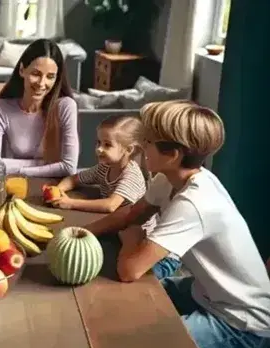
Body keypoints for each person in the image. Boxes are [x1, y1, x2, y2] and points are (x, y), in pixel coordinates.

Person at [83, 100, 270, 348]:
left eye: (148, 142)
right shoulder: (169, 178)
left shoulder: (193, 203)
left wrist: (134, 234)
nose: (142, 148)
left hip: (242, 324)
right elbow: (131, 214)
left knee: (140, 345)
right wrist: (83, 232)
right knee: (122, 301)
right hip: (205, 293)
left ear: (172, 155)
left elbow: (129, 269)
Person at [53, 115, 181, 279]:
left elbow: (110, 205)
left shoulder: (131, 175)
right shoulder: (104, 167)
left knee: (137, 284)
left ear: (128, 150)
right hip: (120, 234)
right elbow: (74, 178)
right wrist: (58, 190)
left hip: (149, 251)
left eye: (107, 145)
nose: (99, 149)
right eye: (98, 143)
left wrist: (70, 203)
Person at [0, 38, 79, 177]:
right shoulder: (1, 108)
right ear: (22, 70)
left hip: (54, 187)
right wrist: (45, 164)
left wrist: (19, 170)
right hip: (15, 185)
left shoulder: (65, 106)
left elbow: (70, 167)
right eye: (36, 74)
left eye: (50, 77)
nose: (42, 83)